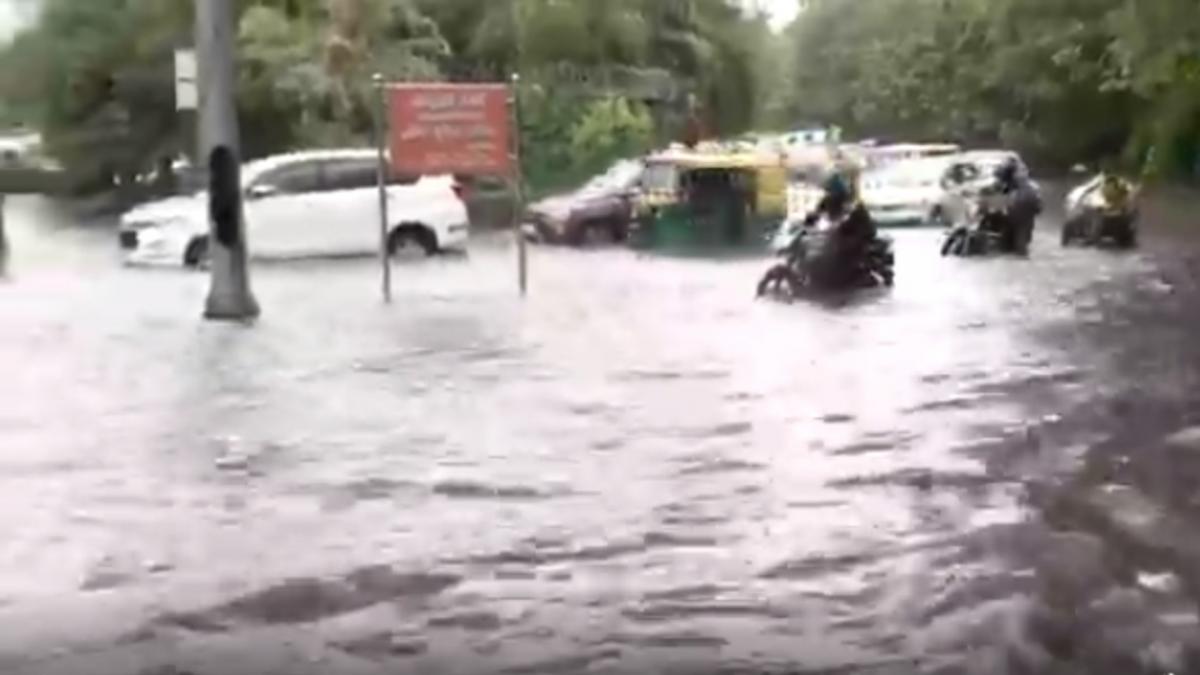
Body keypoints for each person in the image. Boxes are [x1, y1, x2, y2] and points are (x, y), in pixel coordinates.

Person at [803, 169, 878, 282]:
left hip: (859, 230)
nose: (830, 194)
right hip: (839, 230)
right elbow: (817, 212)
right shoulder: (827, 200)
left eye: (832, 191)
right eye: (828, 191)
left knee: (847, 246)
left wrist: (841, 223)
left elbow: (847, 215)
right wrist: (809, 220)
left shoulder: (851, 201)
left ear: (839, 191)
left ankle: (858, 271)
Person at [988, 157, 1039, 254]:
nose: (1025, 173)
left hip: (1018, 227)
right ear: (1013, 174)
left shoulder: (1029, 189)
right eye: (1022, 170)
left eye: (1025, 170)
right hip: (1012, 229)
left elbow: (1037, 208)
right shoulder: (1027, 189)